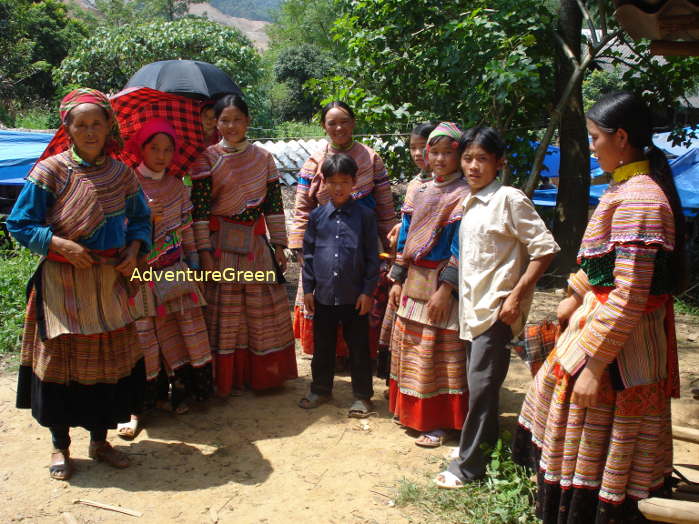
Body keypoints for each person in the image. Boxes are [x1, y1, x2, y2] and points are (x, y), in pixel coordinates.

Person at [512, 92, 685, 523]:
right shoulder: (625, 188)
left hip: (619, 349)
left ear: (620, 137)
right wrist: (574, 293)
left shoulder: (640, 201)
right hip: (604, 332)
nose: (591, 147)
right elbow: (601, 263)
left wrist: (593, 366)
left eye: (594, 138)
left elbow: (629, 295)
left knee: (605, 436)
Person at [6, 88, 152, 480]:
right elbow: (18, 224)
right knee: (62, 366)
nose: (89, 131)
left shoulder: (122, 174)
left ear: (109, 127)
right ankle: (60, 445)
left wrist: (135, 249)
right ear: (68, 128)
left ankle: (100, 441)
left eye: (96, 124)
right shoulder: (50, 171)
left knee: (106, 365)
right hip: (62, 283)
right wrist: (59, 244)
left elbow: (141, 219)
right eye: (80, 124)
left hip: (108, 282)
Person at [434, 126, 559, 488]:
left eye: (482, 159)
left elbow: (545, 249)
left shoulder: (509, 199)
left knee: (483, 389)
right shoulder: (470, 202)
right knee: (480, 389)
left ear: (499, 163)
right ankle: (477, 453)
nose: (473, 166)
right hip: (473, 310)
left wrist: (517, 296)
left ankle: (469, 468)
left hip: (498, 311)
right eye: (468, 158)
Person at [190, 94, 297, 395]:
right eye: (225, 120)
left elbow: (274, 206)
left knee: (259, 310)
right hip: (219, 246)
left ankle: (261, 376)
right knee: (226, 313)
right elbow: (198, 212)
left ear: (248, 121)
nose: (231, 125)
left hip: (255, 246)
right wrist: (204, 253)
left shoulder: (263, 158)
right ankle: (227, 379)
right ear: (216, 123)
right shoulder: (206, 158)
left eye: (237, 119)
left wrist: (279, 246)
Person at [117, 119, 213, 439]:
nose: (161, 154)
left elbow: (186, 232)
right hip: (139, 273)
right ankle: (136, 409)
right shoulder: (126, 183)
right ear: (140, 149)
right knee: (143, 337)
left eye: (167, 149)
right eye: (154, 147)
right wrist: (145, 218)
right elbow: (115, 228)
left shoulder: (176, 186)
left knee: (178, 331)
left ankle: (176, 395)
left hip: (174, 272)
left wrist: (196, 266)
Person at [289, 101, 397, 358]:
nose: (339, 127)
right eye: (332, 122)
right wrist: (298, 245)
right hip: (323, 242)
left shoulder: (372, 159)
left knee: (361, 297)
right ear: (324, 126)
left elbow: (383, 204)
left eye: (344, 121)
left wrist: (392, 241)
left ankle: (357, 357)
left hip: (363, 240)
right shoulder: (314, 162)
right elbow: (303, 207)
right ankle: (329, 359)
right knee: (324, 300)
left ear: (354, 122)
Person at [386, 122, 470, 447]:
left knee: (438, 352)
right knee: (411, 347)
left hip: (441, 282)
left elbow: (459, 245)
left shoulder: (464, 194)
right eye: (433, 151)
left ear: (459, 155)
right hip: (413, 279)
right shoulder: (416, 189)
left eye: (447, 153)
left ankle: (438, 421)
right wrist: (397, 276)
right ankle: (410, 412)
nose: (437, 158)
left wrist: (446, 288)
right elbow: (405, 235)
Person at [298, 153, 379, 416]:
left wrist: (368, 292)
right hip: (323, 296)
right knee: (323, 346)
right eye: (332, 182)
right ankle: (320, 389)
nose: (338, 187)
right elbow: (308, 255)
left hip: (355, 296)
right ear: (324, 183)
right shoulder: (317, 217)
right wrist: (308, 289)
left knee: (358, 348)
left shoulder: (366, 216)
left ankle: (363, 396)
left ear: (354, 182)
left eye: (344, 181)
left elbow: (371, 257)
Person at [377, 122, 436, 388]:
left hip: (433, 270)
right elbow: (412, 220)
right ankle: (401, 387)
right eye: (412, 147)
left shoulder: (450, 186)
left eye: (422, 148)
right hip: (407, 265)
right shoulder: (415, 183)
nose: (417, 153)